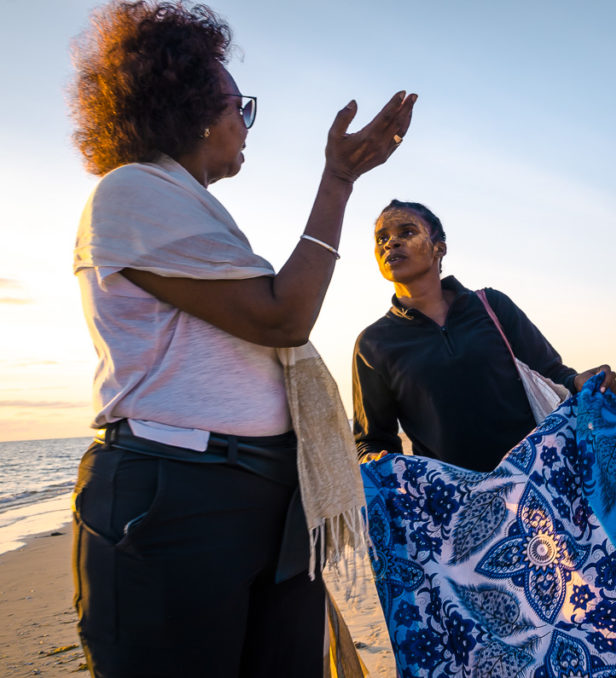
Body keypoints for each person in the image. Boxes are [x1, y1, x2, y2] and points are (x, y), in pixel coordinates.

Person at [68, 2, 414, 676]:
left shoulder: (187, 205)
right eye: (239, 106)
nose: (244, 123)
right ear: (196, 106)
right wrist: (338, 180)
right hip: (178, 500)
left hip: (262, 497)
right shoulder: (130, 192)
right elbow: (283, 316)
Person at [353, 200, 616, 472]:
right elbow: (372, 441)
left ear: (439, 248)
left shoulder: (492, 306)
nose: (391, 243)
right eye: (381, 238)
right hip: (451, 503)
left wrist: (582, 382)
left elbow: (551, 373)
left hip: (537, 481)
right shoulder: (374, 343)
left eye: (407, 232)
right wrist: (375, 459)